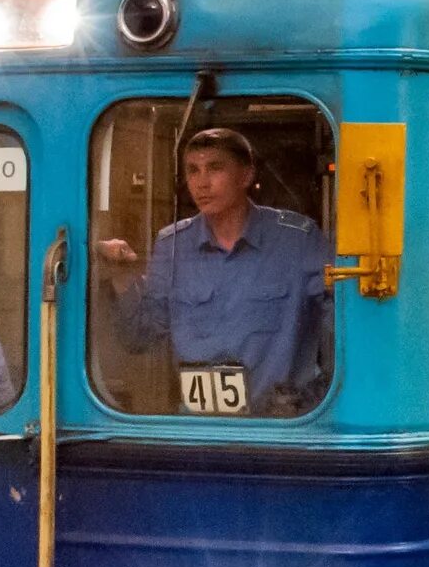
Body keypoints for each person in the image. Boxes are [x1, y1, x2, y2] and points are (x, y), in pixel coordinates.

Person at [98, 127, 333, 414]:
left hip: (283, 430)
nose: (202, 183)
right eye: (193, 171)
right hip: (202, 432)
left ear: (246, 175)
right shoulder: (173, 245)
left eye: (215, 168)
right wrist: (123, 275)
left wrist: (322, 401)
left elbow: (342, 326)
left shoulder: (297, 239)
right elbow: (139, 337)